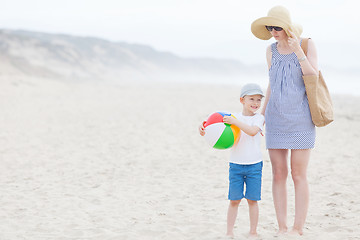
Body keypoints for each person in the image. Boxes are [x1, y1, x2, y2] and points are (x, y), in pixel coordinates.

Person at [251, 6, 319, 236]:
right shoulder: (270, 50)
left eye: (277, 27)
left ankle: (298, 228)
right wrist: (261, 113)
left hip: (301, 118)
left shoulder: (307, 44)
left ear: (287, 26)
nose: (273, 31)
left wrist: (297, 50)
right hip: (276, 118)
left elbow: (312, 75)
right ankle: (282, 227)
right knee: (278, 174)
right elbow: (272, 82)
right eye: (269, 27)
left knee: (298, 174)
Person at [199, 83, 265, 238]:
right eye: (251, 99)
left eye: (258, 100)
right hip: (236, 166)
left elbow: (252, 132)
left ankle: (253, 231)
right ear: (242, 100)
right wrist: (202, 128)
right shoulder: (234, 116)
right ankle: (229, 232)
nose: (255, 103)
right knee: (234, 200)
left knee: (252, 200)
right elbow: (214, 129)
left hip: (254, 166)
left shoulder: (259, 118)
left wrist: (235, 122)